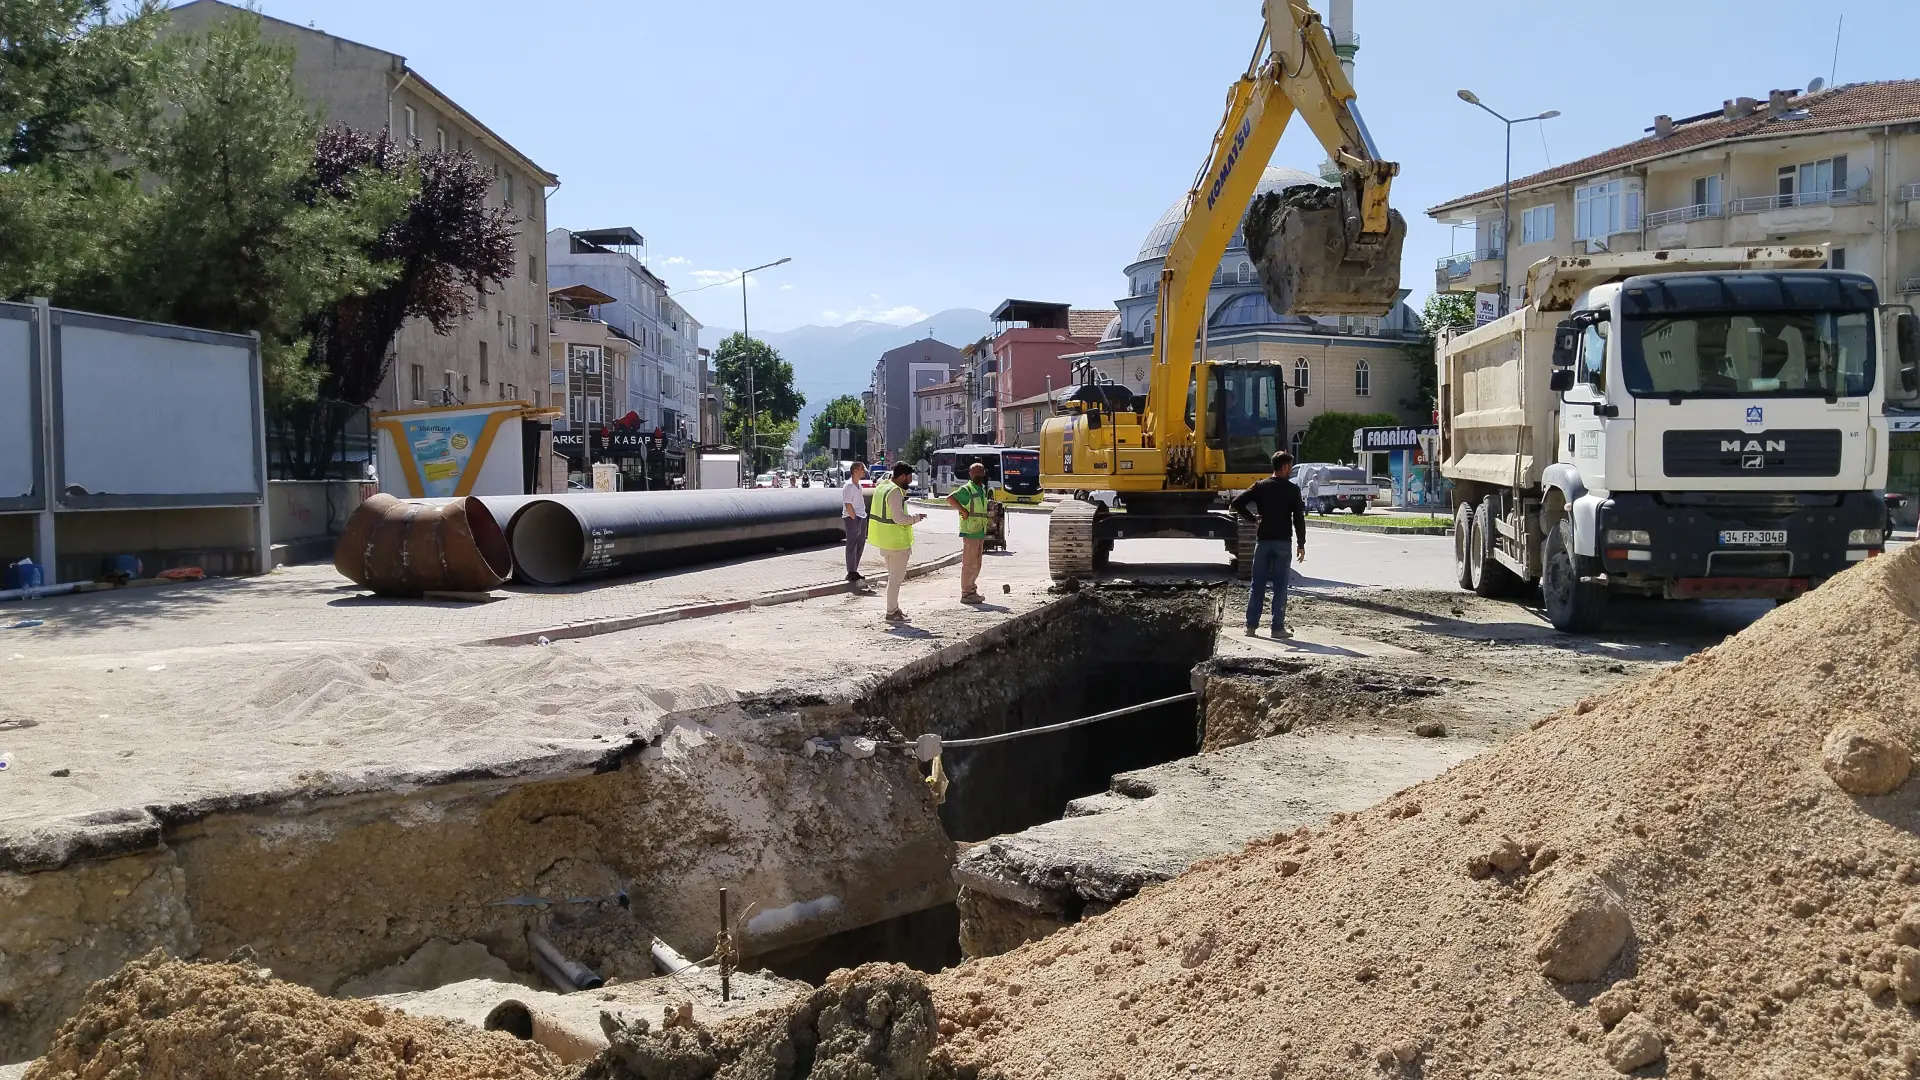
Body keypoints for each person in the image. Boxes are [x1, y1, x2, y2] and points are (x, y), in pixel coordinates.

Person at [1229, 450, 1307, 638]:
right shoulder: (1292, 490)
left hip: (1263, 542)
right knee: (1280, 586)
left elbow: (1236, 502)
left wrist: (1253, 519)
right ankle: (1277, 628)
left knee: (1258, 584)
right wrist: (1301, 544)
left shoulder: (1260, 486)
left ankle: (1251, 627)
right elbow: (1298, 519)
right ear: (1286, 467)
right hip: (1282, 542)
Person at [868, 462, 927, 623]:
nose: (910, 481)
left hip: (885, 540)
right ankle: (891, 612)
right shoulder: (894, 492)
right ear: (901, 476)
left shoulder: (883, 486)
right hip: (896, 542)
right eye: (908, 478)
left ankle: (894, 608)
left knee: (892, 577)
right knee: (895, 579)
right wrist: (916, 518)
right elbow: (898, 518)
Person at [947, 461, 992, 604]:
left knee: (977, 564)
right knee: (969, 564)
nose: (978, 475)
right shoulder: (968, 489)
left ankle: (971, 590)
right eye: (975, 473)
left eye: (980, 472)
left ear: (983, 474)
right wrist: (963, 510)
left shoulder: (981, 489)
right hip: (970, 531)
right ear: (970, 474)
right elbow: (950, 499)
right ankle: (966, 593)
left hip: (979, 531)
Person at [841, 462, 870, 588]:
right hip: (853, 518)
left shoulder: (858, 485)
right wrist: (855, 518)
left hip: (861, 517)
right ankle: (851, 571)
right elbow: (848, 505)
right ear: (855, 471)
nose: (863, 472)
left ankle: (855, 569)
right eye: (861, 469)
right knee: (852, 544)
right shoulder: (848, 486)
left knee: (860, 544)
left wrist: (862, 517)